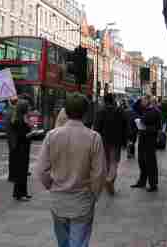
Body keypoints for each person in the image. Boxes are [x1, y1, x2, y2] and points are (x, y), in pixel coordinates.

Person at [37, 93, 106, 247]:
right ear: (86, 112)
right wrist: (94, 195)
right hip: (82, 200)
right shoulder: (94, 138)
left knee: (63, 243)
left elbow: (41, 170)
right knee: (79, 243)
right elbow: (99, 174)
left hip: (58, 200)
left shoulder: (52, 136)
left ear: (66, 112)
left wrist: (51, 185)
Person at [94, 94, 127, 195]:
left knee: (106, 162)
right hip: (116, 141)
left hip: (103, 141)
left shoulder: (100, 111)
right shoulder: (120, 111)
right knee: (114, 162)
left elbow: (96, 128)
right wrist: (125, 141)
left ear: (104, 101)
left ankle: (107, 180)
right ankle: (110, 179)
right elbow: (125, 126)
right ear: (113, 100)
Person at [131, 95, 162, 192]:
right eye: (142, 100)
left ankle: (153, 184)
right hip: (142, 138)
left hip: (150, 139)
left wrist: (146, 128)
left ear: (149, 101)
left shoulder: (156, 112)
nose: (141, 102)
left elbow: (158, 127)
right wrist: (140, 99)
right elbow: (134, 107)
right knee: (141, 160)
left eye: (144, 100)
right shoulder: (143, 109)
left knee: (150, 162)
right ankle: (142, 181)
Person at [8, 95, 32, 201]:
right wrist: (32, 134)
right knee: (21, 172)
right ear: (23, 109)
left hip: (23, 147)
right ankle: (19, 194)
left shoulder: (21, 118)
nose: (30, 109)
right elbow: (21, 136)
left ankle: (23, 192)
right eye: (28, 107)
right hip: (21, 148)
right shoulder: (19, 121)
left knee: (23, 171)